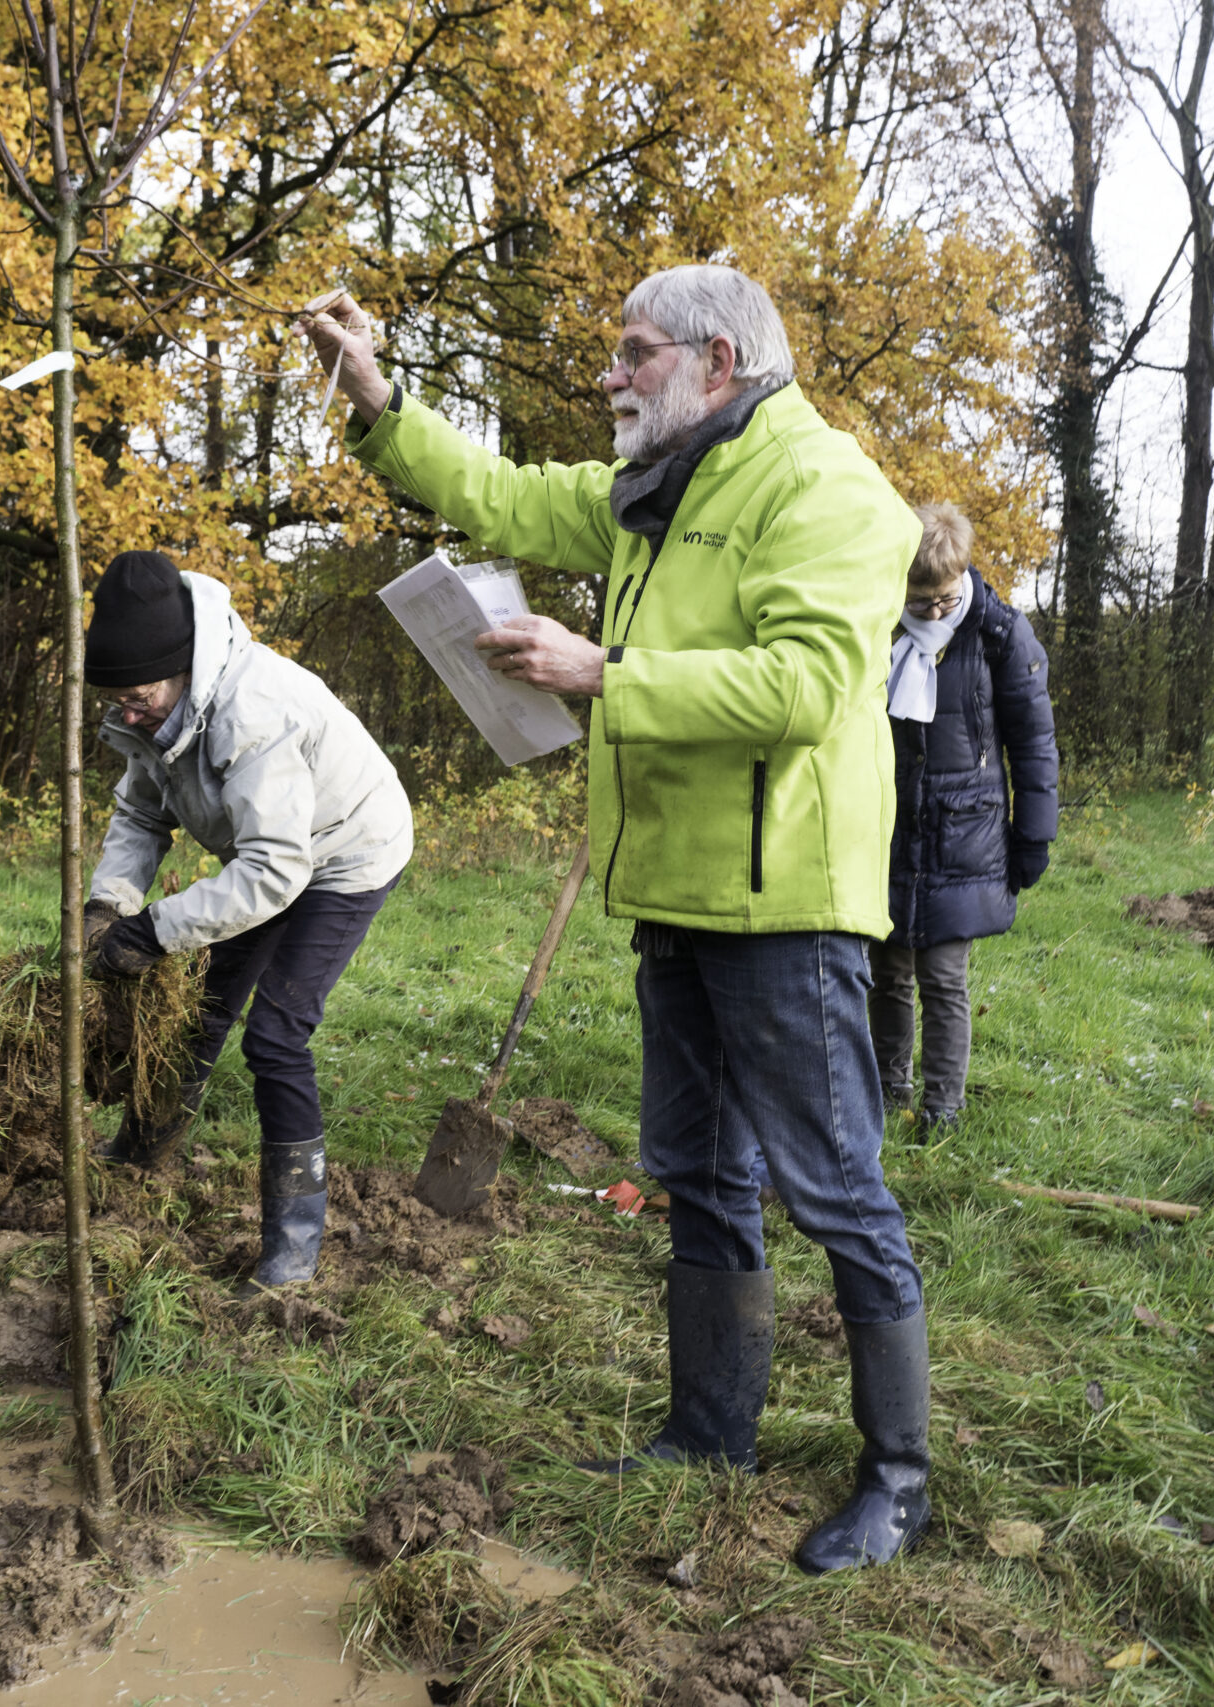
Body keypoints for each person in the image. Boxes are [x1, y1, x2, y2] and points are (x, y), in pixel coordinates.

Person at [304, 264, 931, 1574]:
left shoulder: (828, 488)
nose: (610, 375)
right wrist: (376, 402)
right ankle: (709, 1434)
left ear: (714, 362)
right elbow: (501, 492)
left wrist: (607, 670)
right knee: (696, 1173)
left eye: (633, 353)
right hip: (670, 896)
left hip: (787, 906)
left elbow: (810, 683)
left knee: (837, 1190)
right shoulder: (658, 487)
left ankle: (896, 1479)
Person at [79, 550, 414, 1291]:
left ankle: (292, 1247)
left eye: (137, 699)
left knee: (275, 1034)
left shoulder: (253, 712)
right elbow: (140, 811)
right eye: (118, 702)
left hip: (345, 850)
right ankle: (141, 1152)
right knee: (202, 1010)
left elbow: (275, 872)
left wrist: (155, 929)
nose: (127, 714)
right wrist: (110, 905)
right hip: (265, 851)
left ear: (179, 668)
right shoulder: (155, 702)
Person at [871, 503, 1058, 1137]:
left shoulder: (999, 633)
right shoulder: (875, 628)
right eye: (917, 601)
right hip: (889, 829)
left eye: (943, 600)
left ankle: (943, 1108)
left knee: (944, 977)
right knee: (887, 969)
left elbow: (1034, 744)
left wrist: (1033, 835)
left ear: (963, 577)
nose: (930, 613)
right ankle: (886, 1086)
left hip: (967, 835)